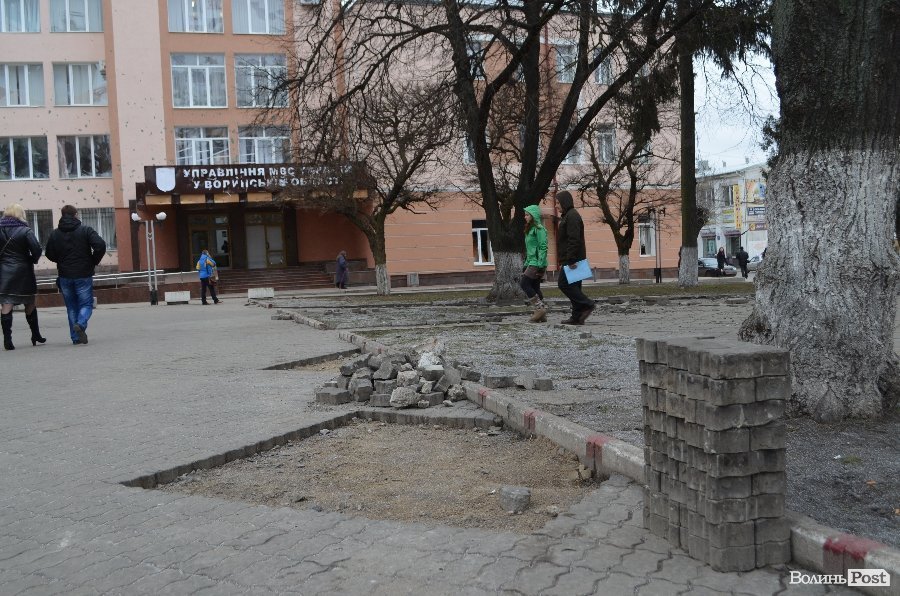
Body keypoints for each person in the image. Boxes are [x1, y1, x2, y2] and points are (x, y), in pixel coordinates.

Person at [45, 204, 107, 345]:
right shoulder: (85, 230)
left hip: (64, 275)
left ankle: (76, 337)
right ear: (75, 215)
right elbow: (100, 245)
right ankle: (81, 323)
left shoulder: (55, 234)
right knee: (86, 304)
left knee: (71, 307)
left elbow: (49, 253)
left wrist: (61, 260)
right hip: (83, 274)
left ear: (62, 215)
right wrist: (93, 260)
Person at [0, 204, 45, 350]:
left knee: (7, 303)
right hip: (23, 271)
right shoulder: (25, 230)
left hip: (4, 271)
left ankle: (7, 340)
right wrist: (32, 259)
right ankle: (35, 334)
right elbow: (36, 249)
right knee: (29, 301)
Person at [555, 191, 595, 325]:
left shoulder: (572, 216)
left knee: (563, 284)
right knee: (575, 287)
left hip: (573, 259)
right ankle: (576, 317)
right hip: (574, 257)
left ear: (564, 202)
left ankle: (587, 304)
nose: (556, 205)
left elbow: (574, 239)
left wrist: (571, 259)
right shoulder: (568, 215)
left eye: (558, 203)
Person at [521, 204, 548, 323]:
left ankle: (539, 309)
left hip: (537, 263)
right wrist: (526, 264)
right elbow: (530, 249)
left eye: (527, 215)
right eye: (525, 215)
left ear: (533, 216)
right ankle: (542, 314)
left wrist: (541, 264)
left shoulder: (539, 229)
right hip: (531, 262)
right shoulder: (530, 229)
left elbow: (543, 247)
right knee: (535, 287)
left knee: (524, 284)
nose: (525, 217)